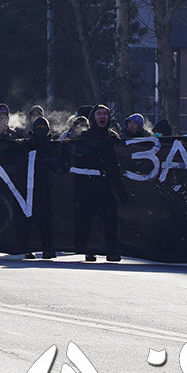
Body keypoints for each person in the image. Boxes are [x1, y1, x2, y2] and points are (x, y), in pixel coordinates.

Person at [70, 104, 128, 263]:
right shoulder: (84, 137)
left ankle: (111, 250)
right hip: (86, 185)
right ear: (92, 118)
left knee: (110, 219)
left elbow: (115, 165)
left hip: (104, 184)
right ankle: (89, 249)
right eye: (99, 114)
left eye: (105, 114)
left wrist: (121, 192)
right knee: (86, 219)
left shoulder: (113, 137)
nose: (102, 117)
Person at [19, 116, 61, 259]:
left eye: (44, 128)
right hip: (27, 188)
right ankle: (26, 247)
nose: (41, 130)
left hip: (46, 189)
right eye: (38, 128)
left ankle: (47, 247)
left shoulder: (51, 146)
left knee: (45, 219)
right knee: (26, 218)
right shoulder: (26, 145)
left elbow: (60, 168)